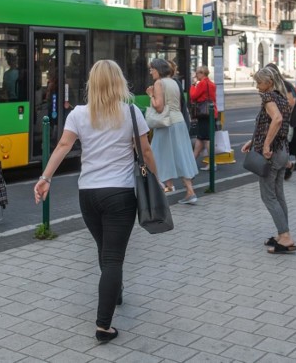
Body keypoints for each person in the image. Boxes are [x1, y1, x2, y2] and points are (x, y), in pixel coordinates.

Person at [33, 60, 158, 343]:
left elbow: (63, 146)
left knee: (105, 250)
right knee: (113, 257)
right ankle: (104, 326)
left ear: (92, 82)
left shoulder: (78, 113)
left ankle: (115, 289)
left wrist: (45, 178)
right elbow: (146, 151)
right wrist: (157, 180)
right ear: (118, 82)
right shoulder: (131, 112)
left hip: (88, 194)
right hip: (120, 193)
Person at [240, 67, 296, 254]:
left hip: (272, 153)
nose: (257, 86)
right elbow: (270, 125)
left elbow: (277, 120)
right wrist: (254, 141)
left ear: (269, 82)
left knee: (268, 196)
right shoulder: (282, 97)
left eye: (259, 82)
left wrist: (265, 146)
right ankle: (282, 235)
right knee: (278, 194)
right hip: (283, 152)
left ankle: (285, 236)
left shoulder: (268, 98)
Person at [145, 58, 198, 203]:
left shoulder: (159, 83)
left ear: (158, 70)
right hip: (178, 121)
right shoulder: (174, 82)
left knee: (156, 154)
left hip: (167, 124)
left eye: (152, 69)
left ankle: (163, 190)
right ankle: (186, 190)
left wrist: (151, 95)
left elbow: (159, 107)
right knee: (179, 155)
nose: (150, 72)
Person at [266, 63, 296, 179]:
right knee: (292, 141)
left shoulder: (284, 84)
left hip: (295, 114)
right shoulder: (276, 85)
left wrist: (284, 116)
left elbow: (292, 102)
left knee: (291, 140)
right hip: (292, 115)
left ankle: (289, 165)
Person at [190, 65, 218, 170]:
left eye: (197, 73)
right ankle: (191, 162)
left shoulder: (202, 83)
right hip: (211, 113)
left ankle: (212, 163)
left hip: (204, 114)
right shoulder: (211, 83)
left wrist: (193, 85)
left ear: (202, 73)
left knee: (206, 139)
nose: (196, 75)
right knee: (201, 138)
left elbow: (193, 96)